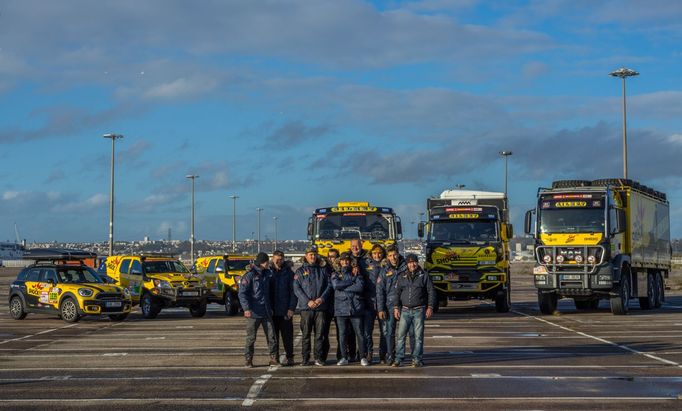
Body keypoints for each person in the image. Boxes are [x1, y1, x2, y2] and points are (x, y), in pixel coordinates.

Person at [391, 254, 436, 368]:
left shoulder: (424, 276)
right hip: (405, 311)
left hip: (419, 310)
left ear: (417, 262)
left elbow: (431, 292)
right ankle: (399, 359)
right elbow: (397, 293)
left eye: (414, 262)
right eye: (410, 263)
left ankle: (417, 359)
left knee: (418, 337)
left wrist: (430, 307)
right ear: (407, 264)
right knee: (401, 336)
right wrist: (396, 307)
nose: (412, 264)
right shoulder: (402, 276)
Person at [293, 246, 332, 366]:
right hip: (306, 308)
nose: (312, 256)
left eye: (314, 254)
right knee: (306, 335)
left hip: (320, 308)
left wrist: (322, 299)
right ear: (306, 256)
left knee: (320, 335)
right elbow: (296, 288)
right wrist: (307, 301)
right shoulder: (299, 271)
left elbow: (329, 286)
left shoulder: (322, 270)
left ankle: (318, 358)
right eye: (310, 254)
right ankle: (305, 358)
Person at [238, 252, 277, 368]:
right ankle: (248, 359)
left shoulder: (268, 274)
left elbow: (272, 291)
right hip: (253, 312)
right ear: (261, 262)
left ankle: (273, 357)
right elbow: (242, 293)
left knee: (271, 336)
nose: (268, 263)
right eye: (266, 262)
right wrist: (246, 308)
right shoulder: (250, 275)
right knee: (251, 338)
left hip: (266, 311)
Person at [331, 252, 368, 366]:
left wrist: (344, 286)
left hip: (355, 307)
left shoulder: (357, 272)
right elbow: (336, 285)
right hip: (341, 309)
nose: (345, 262)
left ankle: (362, 357)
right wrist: (352, 281)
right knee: (342, 335)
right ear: (339, 261)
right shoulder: (335, 273)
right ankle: (343, 357)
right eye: (342, 260)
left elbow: (360, 287)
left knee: (360, 334)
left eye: (347, 260)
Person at [376, 245, 407, 365]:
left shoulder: (406, 267)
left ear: (398, 254)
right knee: (389, 332)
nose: (392, 258)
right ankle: (390, 355)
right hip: (389, 306)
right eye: (389, 255)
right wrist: (380, 308)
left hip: (405, 304)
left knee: (407, 333)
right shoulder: (384, 270)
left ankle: (403, 356)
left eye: (394, 255)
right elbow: (380, 291)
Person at [269, 250, 297, 366]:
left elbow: (293, 292)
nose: (278, 261)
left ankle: (290, 357)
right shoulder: (268, 272)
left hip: (285, 311)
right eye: (276, 259)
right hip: (272, 311)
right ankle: (274, 357)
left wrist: (291, 308)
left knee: (287, 337)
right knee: (273, 337)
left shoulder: (289, 273)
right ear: (273, 259)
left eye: (281, 259)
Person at [362, 243, 385, 364]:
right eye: (375, 253)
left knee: (385, 331)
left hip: (383, 303)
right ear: (371, 254)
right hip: (368, 302)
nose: (377, 255)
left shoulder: (387, 264)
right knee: (367, 331)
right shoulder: (364, 264)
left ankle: (383, 355)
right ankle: (368, 353)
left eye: (379, 253)